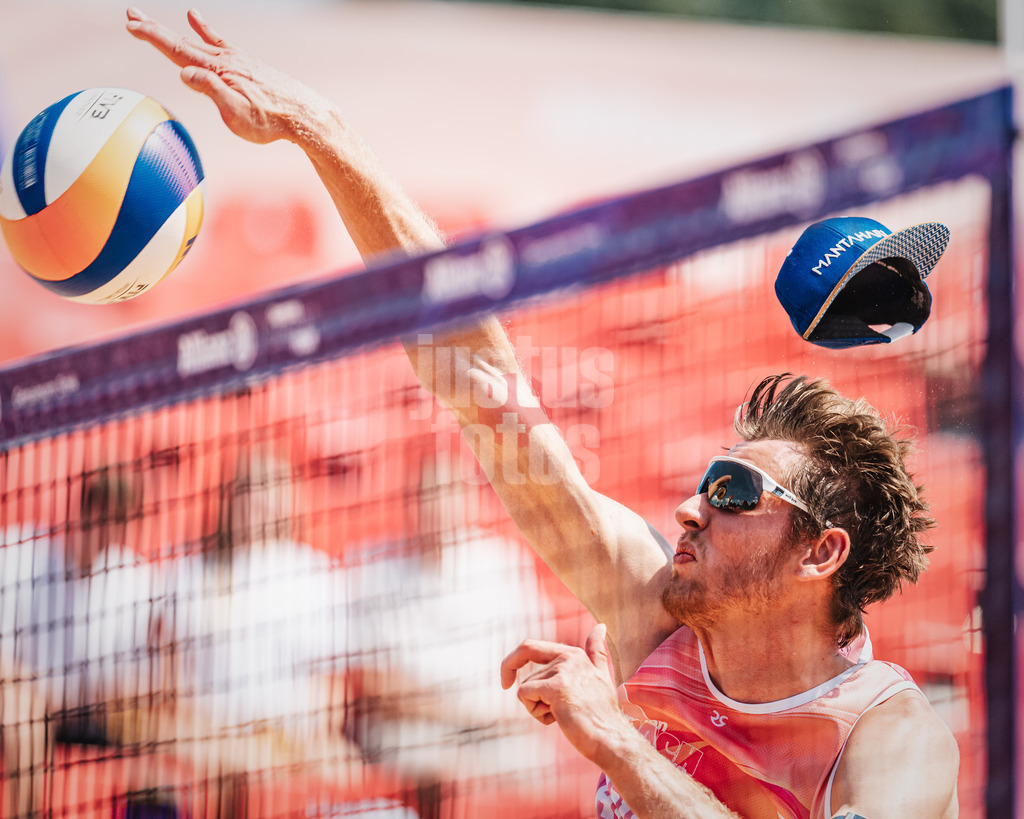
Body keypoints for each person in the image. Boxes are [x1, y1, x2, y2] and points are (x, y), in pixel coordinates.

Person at [126, 8, 960, 818]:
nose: (689, 507)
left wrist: (616, 742)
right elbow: (479, 377)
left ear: (821, 551)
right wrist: (326, 134)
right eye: (709, 481)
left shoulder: (889, 739)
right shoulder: (653, 604)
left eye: (735, 493)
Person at [0, 467, 157, 817]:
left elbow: (131, 690)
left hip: (95, 717)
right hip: (29, 706)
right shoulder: (22, 556)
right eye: (104, 514)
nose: (110, 528)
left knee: (168, 736)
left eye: (121, 518)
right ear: (85, 511)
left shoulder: (134, 579)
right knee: (23, 714)